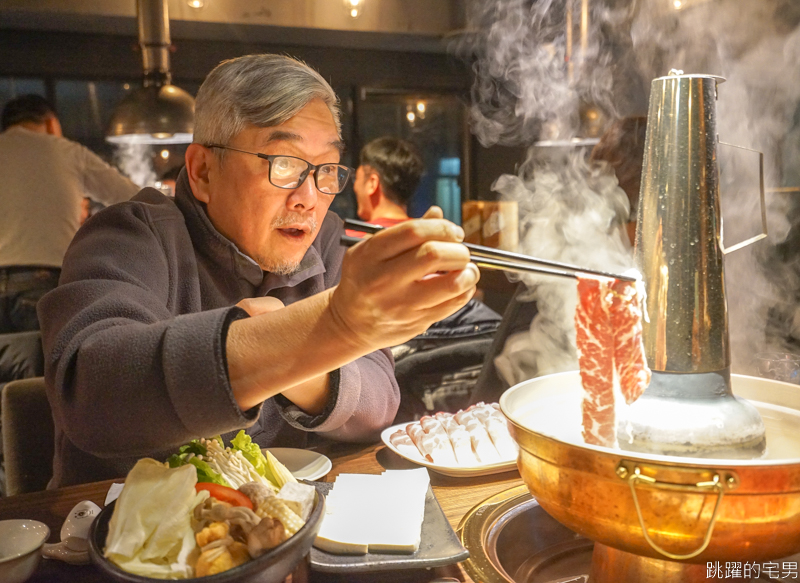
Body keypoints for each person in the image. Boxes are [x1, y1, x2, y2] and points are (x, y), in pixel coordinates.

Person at [38, 54, 479, 487]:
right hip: (122, 539)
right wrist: (332, 329)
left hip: (287, 528)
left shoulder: (324, 240)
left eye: (325, 169)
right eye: (283, 164)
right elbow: (93, 392)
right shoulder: (131, 236)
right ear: (203, 171)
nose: (309, 197)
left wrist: (298, 349)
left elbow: (380, 402)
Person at [350, 136, 501, 420]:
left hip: (395, 391)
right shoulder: (437, 245)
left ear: (371, 182)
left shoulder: (356, 248)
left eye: (356, 178)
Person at [0, 95, 139, 333]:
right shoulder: (67, 151)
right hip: (43, 280)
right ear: (51, 124)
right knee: (44, 368)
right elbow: (132, 197)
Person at [350, 136, 424, 229]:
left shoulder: (350, 240)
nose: (355, 187)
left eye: (355, 179)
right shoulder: (426, 236)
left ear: (372, 183)